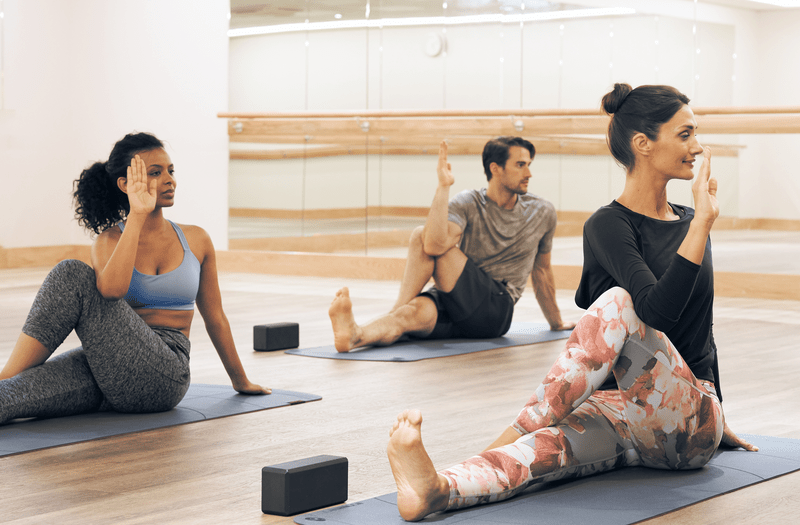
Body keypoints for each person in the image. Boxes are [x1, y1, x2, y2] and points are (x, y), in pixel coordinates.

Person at [385, 83, 758, 522]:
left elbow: (686, 325)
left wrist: (714, 408)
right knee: (545, 450)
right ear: (643, 144)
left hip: (689, 425)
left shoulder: (695, 221)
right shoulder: (606, 226)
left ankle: (505, 435)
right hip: (622, 416)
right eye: (684, 134)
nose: (697, 147)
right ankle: (438, 489)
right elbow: (611, 331)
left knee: (620, 302)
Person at [0, 132, 269, 425]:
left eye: (170, 170)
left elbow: (215, 317)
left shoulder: (197, 239)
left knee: (71, 273)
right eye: (155, 173)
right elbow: (111, 290)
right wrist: (136, 217)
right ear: (125, 185)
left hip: (165, 375)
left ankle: (5, 373)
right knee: (8, 397)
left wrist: (240, 381)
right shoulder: (109, 241)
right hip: (110, 371)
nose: (169, 180)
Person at [329, 136, 575, 353]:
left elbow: (541, 270)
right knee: (408, 316)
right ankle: (355, 335)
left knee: (420, 236)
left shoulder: (542, 212)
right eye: (520, 165)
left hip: (495, 308)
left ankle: (394, 309)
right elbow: (434, 244)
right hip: (454, 299)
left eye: (529, 165)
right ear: (495, 168)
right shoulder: (469, 202)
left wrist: (556, 322)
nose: (529, 173)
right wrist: (443, 187)